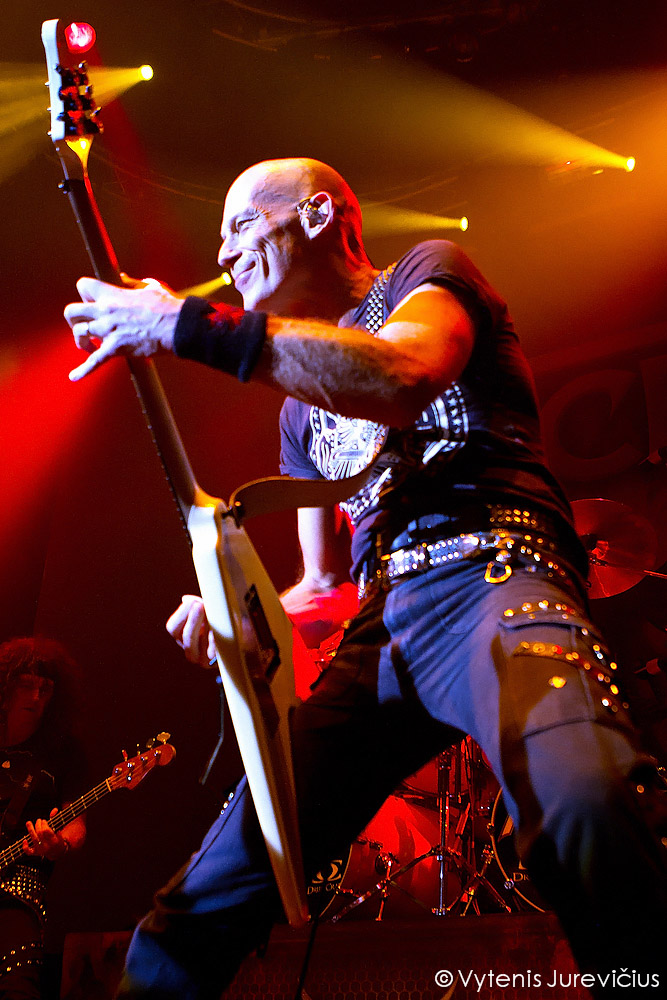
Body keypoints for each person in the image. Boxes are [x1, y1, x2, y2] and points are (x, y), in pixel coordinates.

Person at [64, 157, 667, 998]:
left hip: (495, 574)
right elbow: (317, 590)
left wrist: (184, 324)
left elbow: (401, 375)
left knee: (584, 799)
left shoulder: (427, 272)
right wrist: (240, 614)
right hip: (382, 635)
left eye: (241, 225)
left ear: (317, 215)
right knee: (219, 886)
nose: (224, 255)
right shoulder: (297, 411)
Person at [0, 636, 87, 999]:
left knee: (17, 987)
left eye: (45, 689)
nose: (36, 697)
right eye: (26, 685)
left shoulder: (63, 753)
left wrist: (58, 844)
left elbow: (76, 824)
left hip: (18, 885)